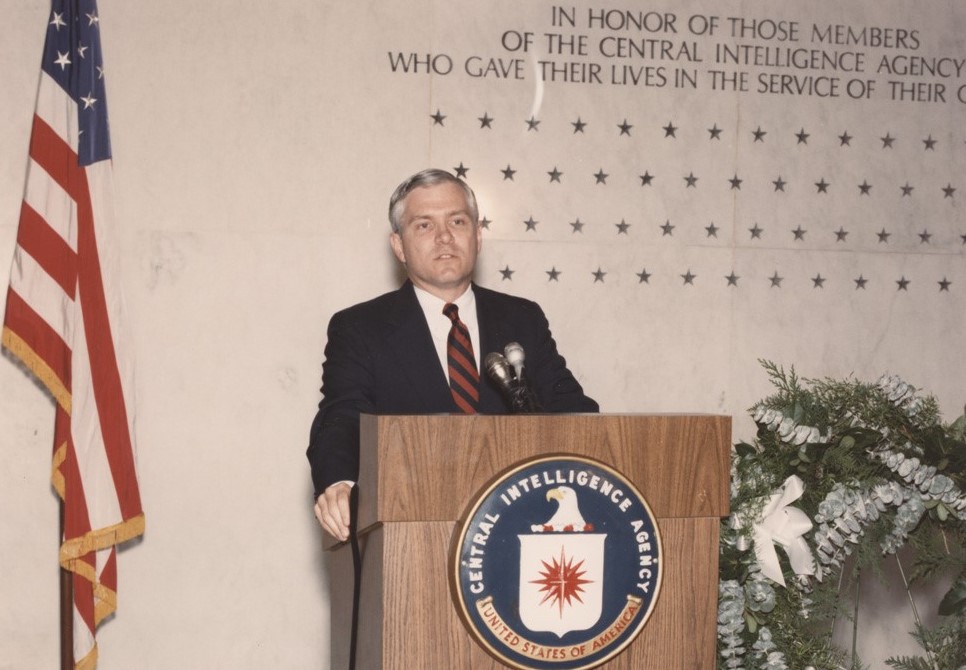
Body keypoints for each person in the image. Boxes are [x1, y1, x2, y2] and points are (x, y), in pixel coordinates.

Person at [308, 168, 598, 541]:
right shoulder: (360, 328)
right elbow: (341, 417)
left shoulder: (522, 318)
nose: (444, 236)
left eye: (457, 221)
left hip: (521, 527)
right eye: (424, 225)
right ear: (398, 245)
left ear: (477, 236)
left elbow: (574, 411)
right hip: (412, 535)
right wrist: (340, 483)